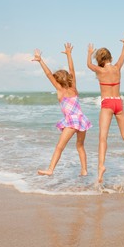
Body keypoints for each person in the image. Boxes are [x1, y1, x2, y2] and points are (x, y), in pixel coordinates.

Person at [87, 31, 124, 184]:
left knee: (103, 137)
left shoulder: (100, 70)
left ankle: (101, 167)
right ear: (110, 57)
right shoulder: (117, 68)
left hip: (107, 104)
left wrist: (89, 53)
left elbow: (88, 65)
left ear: (100, 59)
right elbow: (123, 56)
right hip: (119, 103)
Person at [32, 43, 92, 176]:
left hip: (71, 122)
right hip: (81, 120)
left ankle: (50, 170)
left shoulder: (60, 90)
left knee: (60, 147)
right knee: (80, 146)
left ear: (57, 81)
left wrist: (40, 60)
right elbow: (72, 70)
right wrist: (69, 55)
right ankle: (84, 170)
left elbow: (48, 74)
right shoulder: (74, 88)